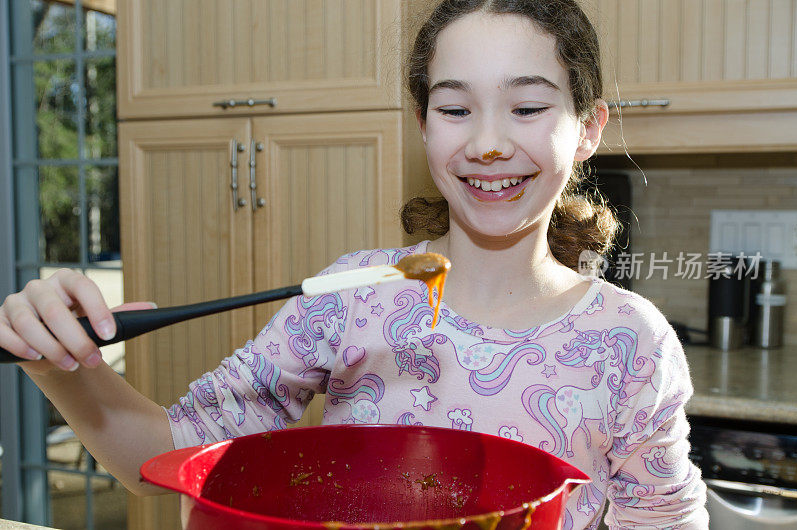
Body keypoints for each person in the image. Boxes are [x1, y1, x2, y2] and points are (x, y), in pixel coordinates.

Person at [0, 0, 708, 528]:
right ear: (425, 125)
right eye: (455, 109)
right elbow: (161, 460)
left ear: (587, 127)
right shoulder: (351, 297)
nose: (488, 143)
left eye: (526, 106)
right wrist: (59, 366)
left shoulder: (631, 342)